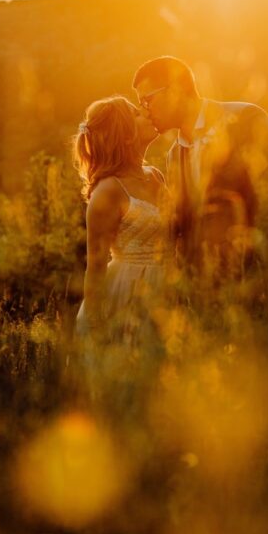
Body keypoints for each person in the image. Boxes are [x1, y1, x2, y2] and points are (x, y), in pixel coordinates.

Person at [132, 56, 268, 306]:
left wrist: (255, 275)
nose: (143, 110)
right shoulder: (174, 155)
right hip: (213, 294)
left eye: (147, 99)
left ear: (174, 90)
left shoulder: (246, 119)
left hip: (266, 278)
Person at [73, 96, 168, 356]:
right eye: (138, 114)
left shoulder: (155, 176)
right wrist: (95, 325)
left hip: (166, 289)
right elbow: (95, 265)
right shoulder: (108, 191)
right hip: (129, 293)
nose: (148, 114)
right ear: (126, 135)